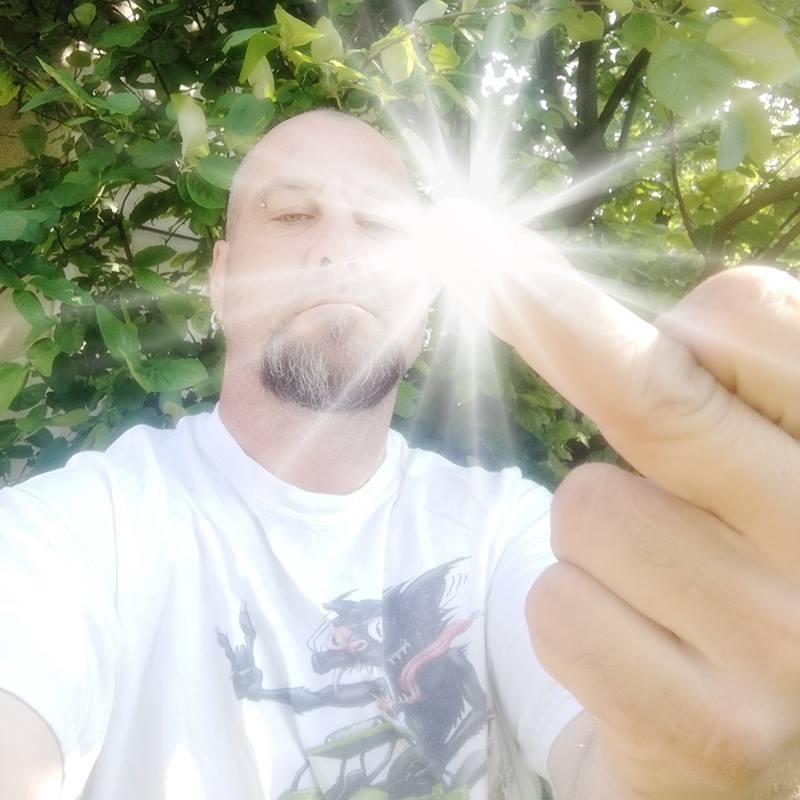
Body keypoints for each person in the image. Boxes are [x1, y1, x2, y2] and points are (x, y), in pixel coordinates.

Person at [1, 108, 799, 800]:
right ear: (220, 279)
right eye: (291, 216)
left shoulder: (507, 536)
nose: (337, 252)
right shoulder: (70, 537)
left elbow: (615, 760)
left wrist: (703, 761)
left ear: (423, 309)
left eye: (380, 227)